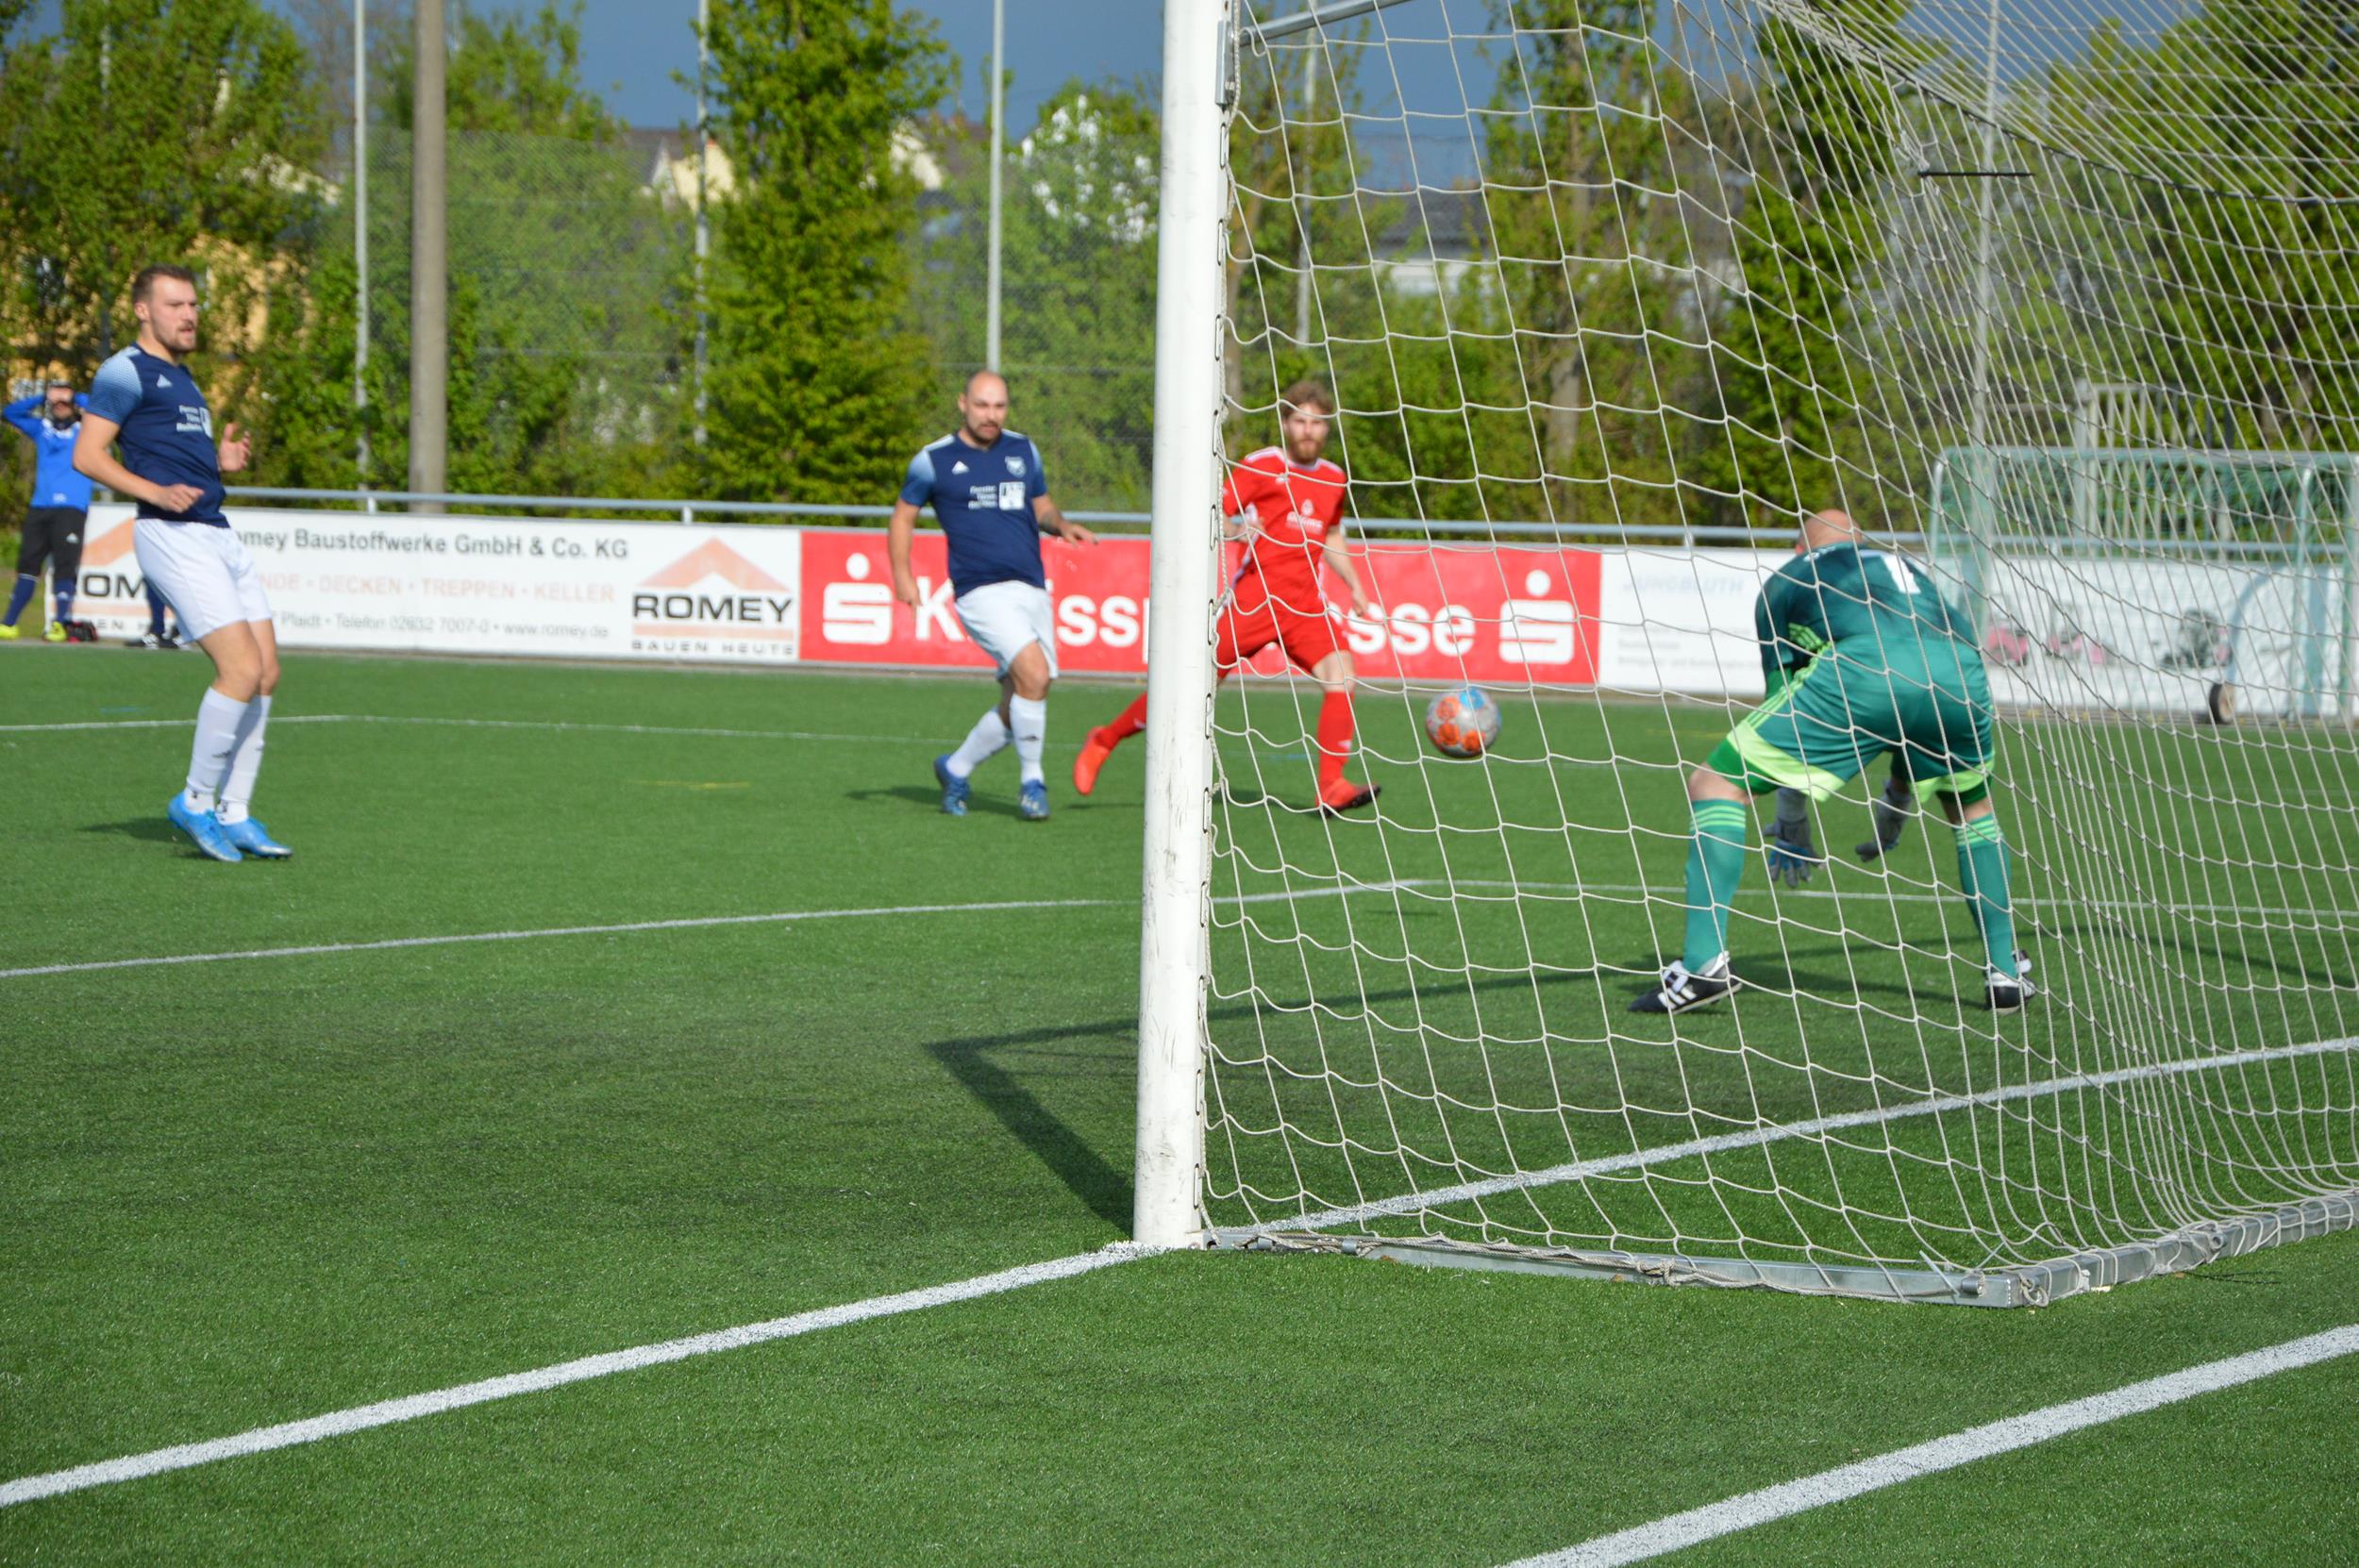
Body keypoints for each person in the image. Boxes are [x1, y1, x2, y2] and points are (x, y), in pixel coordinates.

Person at [1632, 508, 2032, 1015]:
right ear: (1862, 542)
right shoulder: (1915, 575)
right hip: (1962, 673)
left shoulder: (1789, 578)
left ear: (1801, 547)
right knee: (1973, 812)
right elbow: (1917, 686)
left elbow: (1787, 701)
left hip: (1864, 668)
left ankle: (1703, 965)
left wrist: (1791, 820)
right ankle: (2004, 972)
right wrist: (1895, 804)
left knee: (1715, 783)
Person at [1072, 378, 1379, 814]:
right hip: (1255, 600)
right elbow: (1216, 511)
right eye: (1299, 421)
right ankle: (1106, 738)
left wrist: (1356, 586)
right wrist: (1237, 529)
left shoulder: (1333, 478)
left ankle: (1331, 786)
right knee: (1191, 684)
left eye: (1316, 422)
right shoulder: (1262, 465)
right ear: (1285, 424)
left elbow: (1330, 534)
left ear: (1327, 427)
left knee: (1342, 678)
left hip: (1305, 606)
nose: (1308, 430)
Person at [75, 264, 289, 863]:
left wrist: (220, 462)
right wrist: (154, 491)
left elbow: (172, 456)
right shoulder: (123, 370)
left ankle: (234, 811)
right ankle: (195, 801)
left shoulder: (184, 378)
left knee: (266, 673)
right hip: (172, 534)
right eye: (176, 305)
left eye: (194, 304)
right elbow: (88, 456)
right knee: (239, 670)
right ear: (143, 310)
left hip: (216, 530)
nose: (190, 315)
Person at [891, 371, 1095, 821]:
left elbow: (1041, 506)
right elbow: (903, 517)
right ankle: (1032, 783)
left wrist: (1061, 524)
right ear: (962, 403)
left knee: (1024, 693)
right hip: (979, 591)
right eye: (982, 405)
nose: (991, 415)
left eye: (999, 406)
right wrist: (903, 577)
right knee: (1034, 674)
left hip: (1031, 586)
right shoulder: (934, 460)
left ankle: (956, 768)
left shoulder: (1023, 449)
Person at [1, 380, 93, 642]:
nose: (60, 405)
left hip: (71, 508)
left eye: (65, 402)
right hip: (40, 507)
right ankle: (9, 623)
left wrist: (75, 397)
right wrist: (43, 397)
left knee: (65, 566)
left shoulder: (85, 429)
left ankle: (59, 624)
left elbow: (102, 411)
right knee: (28, 565)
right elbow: (9, 413)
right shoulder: (42, 428)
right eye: (56, 402)